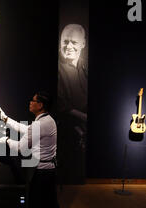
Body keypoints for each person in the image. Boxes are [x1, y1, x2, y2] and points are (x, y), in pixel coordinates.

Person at [0, 92, 65, 208]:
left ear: (40, 105)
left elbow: (21, 147)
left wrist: (5, 140)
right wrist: (5, 119)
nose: (30, 102)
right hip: (49, 172)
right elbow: (26, 130)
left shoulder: (40, 124)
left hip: (40, 173)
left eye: (33, 100)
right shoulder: (47, 120)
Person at [57, 24, 88, 183]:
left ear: (83, 44)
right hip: (67, 134)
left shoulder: (85, 67)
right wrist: (83, 117)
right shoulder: (58, 68)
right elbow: (61, 104)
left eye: (74, 43)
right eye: (65, 41)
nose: (68, 46)